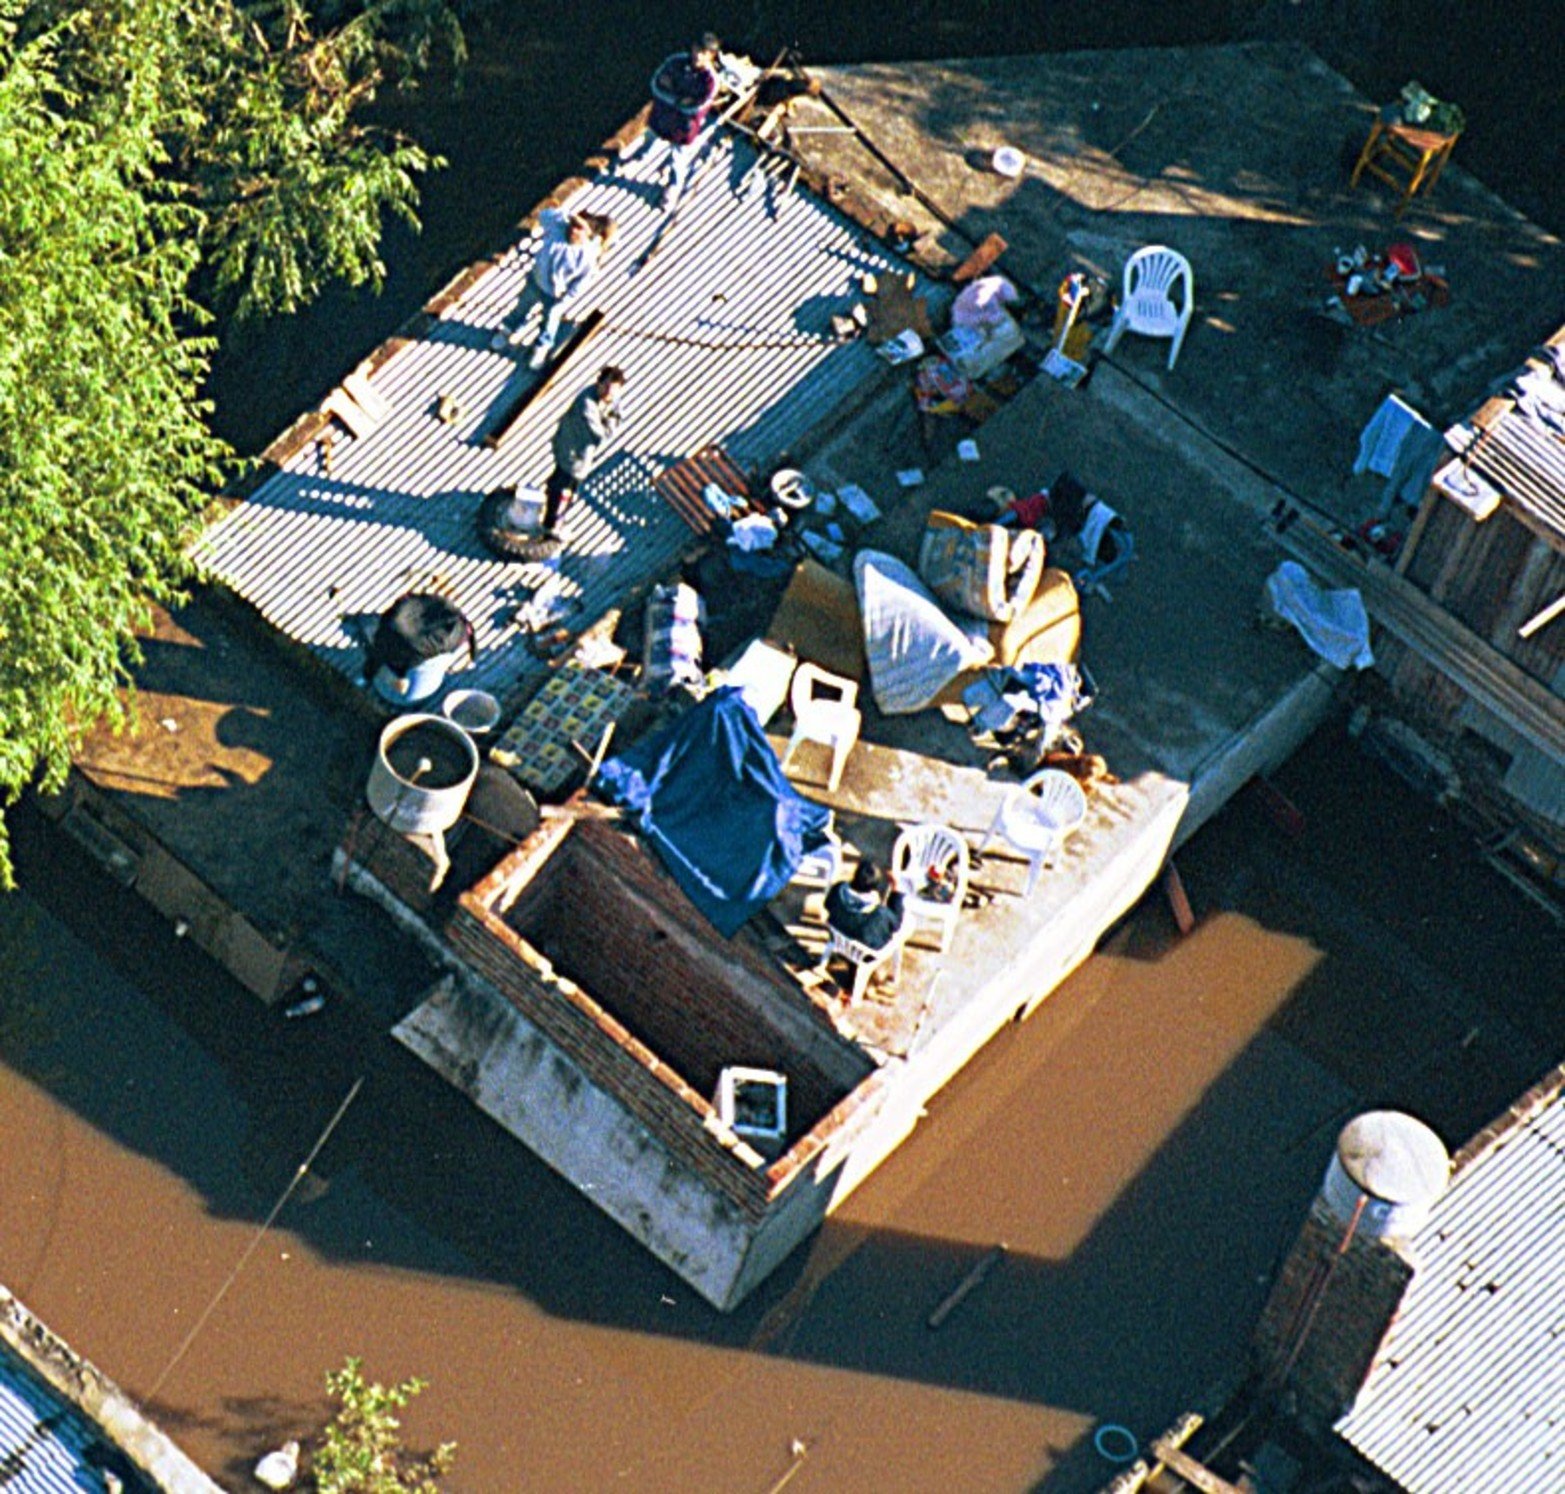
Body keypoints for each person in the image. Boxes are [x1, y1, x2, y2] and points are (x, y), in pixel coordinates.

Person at [492, 208, 616, 368]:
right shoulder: (557, 227)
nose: (574, 230)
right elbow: (544, 214)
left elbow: (580, 284)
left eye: (580, 228)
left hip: (555, 296)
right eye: (574, 225)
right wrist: (567, 216)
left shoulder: (587, 258)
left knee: (549, 323)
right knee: (521, 308)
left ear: (588, 235)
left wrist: (565, 300)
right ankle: (507, 331)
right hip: (535, 283)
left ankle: (541, 348)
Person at [618, 33, 721, 210]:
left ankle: (673, 188)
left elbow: (694, 108)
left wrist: (672, 93)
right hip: (661, 117)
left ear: (711, 56)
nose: (698, 55)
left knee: (678, 159)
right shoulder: (676, 61)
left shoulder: (710, 81)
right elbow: (656, 85)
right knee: (649, 141)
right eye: (697, 49)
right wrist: (680, 100)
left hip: (683, 128)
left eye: (704, 53)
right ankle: (638, 159)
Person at [542, 365, 626, 535]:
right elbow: (602, 434)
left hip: (582, 452)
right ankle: (550, 525)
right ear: (599, 383)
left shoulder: (612, 400)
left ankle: (555, 513)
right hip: (571, 449)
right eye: (606, 387)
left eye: (614, 390)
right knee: (563, 485)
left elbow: (617, 418)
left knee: (568, 485)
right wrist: (609, 421)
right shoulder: (586, 403)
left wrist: (609, 419)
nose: (609, 393)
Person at [824, 858, 905, 951]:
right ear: (875, 887)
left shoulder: (837, 889)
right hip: (862, 951)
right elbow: (896, 923)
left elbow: (827, 904)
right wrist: (895, 888)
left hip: (837, 939)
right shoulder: (879, 913)